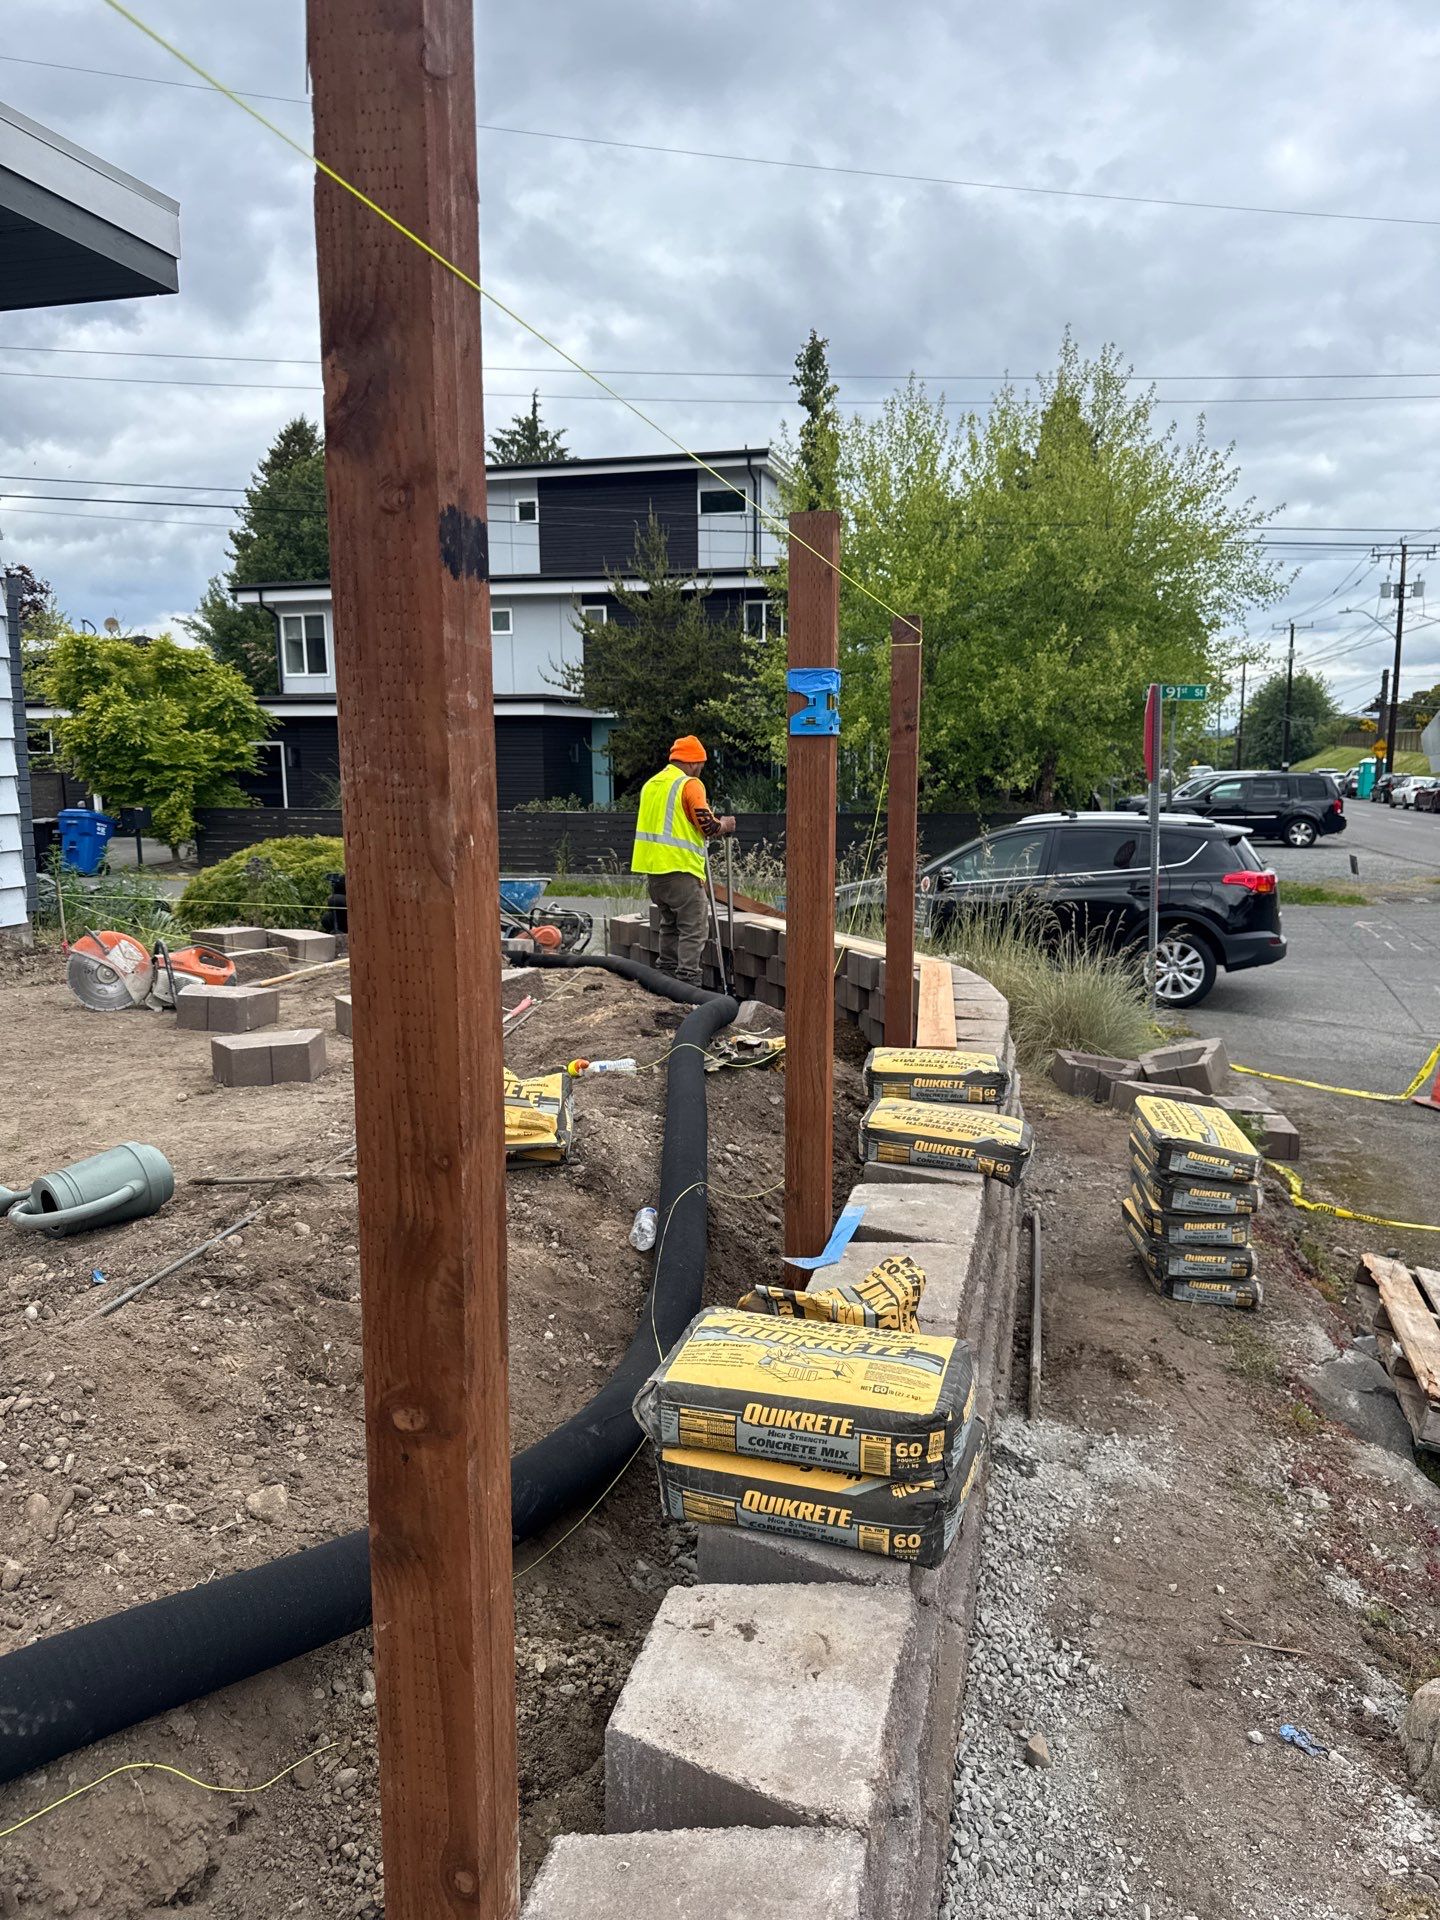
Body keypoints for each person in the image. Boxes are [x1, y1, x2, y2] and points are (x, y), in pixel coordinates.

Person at [630, 736, 736, 985]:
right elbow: (708, 826)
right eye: (701, 765)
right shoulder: (689, 784)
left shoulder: (652, 784)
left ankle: (666, 977)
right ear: (693, 762)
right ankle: (688, 981)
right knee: (694, 926)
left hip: (655, 871)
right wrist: (725, 824)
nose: (701, 770)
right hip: (681, 869)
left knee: (670, 924)